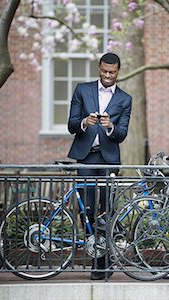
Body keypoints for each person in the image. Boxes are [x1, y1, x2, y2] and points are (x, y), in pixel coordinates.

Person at [67, 52, 132, 280]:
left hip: (108, 160)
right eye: (104, 71)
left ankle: (102, 263)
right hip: (86, 158)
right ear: (99, 68)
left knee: (105, 212)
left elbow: (122, 134)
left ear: (118, 72)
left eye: (111, 73)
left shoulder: (125, 99)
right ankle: (95, 253)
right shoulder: (82, 90)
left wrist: (110, 126)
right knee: (87, 210)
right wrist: (85, 122)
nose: (107, 76)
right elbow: (71, 125)